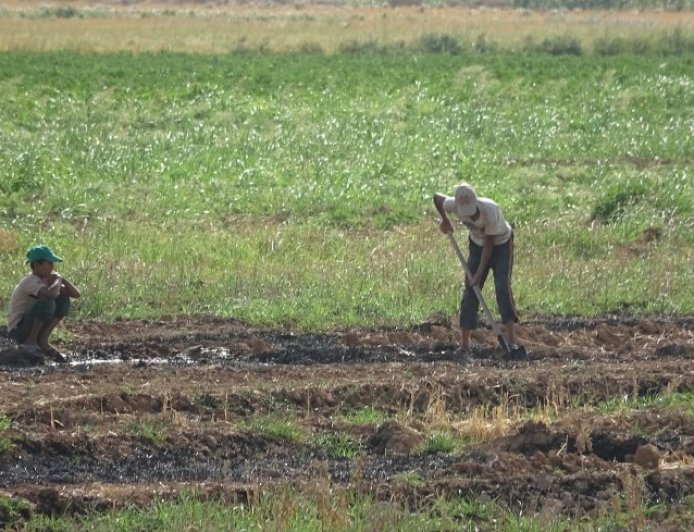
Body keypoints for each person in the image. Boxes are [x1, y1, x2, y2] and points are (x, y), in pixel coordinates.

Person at [433, 183, 520, 353]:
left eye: (472, 213)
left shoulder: (490, 210)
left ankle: (512, 339)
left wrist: (479, 274)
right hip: (477, 244)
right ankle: (465, 345)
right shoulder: (453, 204)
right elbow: (437, 198)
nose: (470, 217)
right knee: (471, 289)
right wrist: (445, 220)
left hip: (500, 244)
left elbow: (490, 244)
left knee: (502, 286)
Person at [7, 245, 81, 362]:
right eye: (49, 263)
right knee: (47, 302)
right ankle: (30, 343)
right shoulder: (29, 280)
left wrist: (62, 279)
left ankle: (42, 340)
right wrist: (57, 280)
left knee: (64, 299)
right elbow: (50, 294)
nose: (53, 267)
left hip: (28, 325)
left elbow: (76, 294)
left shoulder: (47, 281)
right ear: (37, 265)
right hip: (19, 331)